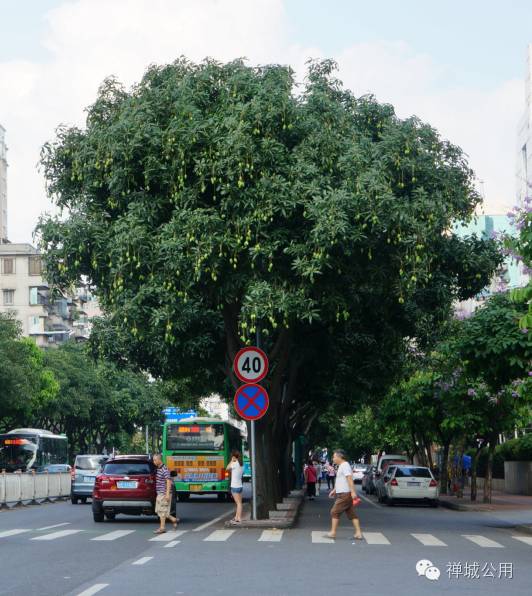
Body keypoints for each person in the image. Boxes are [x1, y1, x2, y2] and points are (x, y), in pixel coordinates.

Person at [327, 449, 362, 540]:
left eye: (334, 457)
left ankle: (333, 532)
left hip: (345, 494)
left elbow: (349, 479)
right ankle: (358, 533)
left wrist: (353, 492)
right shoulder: (342, 466)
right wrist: (334, 490)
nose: (333, 459)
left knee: (334, 512)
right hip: (344, 493)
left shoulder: (345, 465)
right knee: (351, 514)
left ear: (340, 457)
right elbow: (340, 480)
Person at [152, 454, 179, 534]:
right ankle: (173, 519)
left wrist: (167, 494)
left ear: (159, 460)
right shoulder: (158, 469)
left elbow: (168, 481)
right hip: (160, 493)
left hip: (164, 493)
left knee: (162, 511)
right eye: (153, 460)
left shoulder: (164, 469)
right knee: (159, 511)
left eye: (155, 460)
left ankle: (162, 528)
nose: (154, 462)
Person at [227, 450, 244, 523]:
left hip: (234, 486)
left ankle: (239, 518)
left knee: (238, 503)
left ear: (234, 457)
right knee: (239, 503)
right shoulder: (241, 464)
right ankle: (236, 517)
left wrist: (231, 461)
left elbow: (227, 468)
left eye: (232, 457)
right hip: (240, 486)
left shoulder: (234, 463)